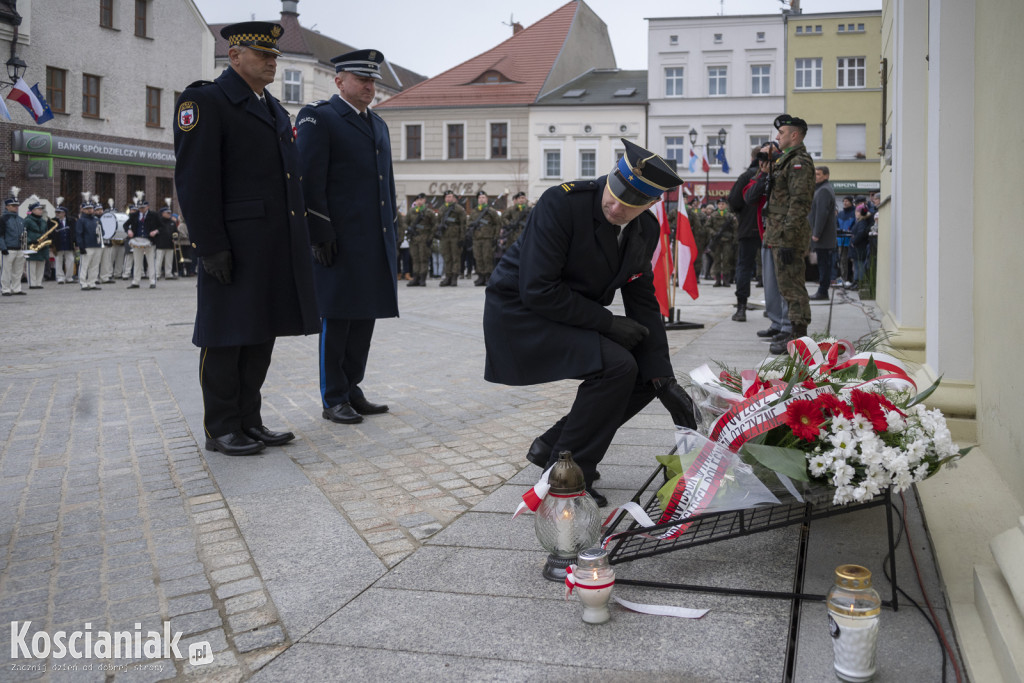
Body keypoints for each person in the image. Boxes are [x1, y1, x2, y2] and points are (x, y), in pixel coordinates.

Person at [483, 139, 699, 506]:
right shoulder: (562, 203)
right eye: (612, 197)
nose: (615, 207)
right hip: (521, 314)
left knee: (646, 372)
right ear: (611, 177)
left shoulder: (644, 229)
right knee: (616, 366)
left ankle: (554, 445)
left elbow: (643, 299)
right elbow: (537, 289)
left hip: (572, 315)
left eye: (629, 206)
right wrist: (606, 323)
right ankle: (566, 474)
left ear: (650, 204)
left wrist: (664, 378)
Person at [174, 21, 319, 456]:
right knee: (226, 336)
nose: (272, 62)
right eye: (263, 55)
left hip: (271, 244)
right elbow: (196, 181)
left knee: (260, 334)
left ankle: (248, 420)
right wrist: (210, 245)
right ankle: (221, 427)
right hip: (233, 246)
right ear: (234, 56)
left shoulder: (272, 108)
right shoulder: (205, 101)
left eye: (275, 56)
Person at [296, 48, 398, 425]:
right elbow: (308, 180)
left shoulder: (378, 125)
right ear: (338, 81)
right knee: (337, 320)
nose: (369, 86)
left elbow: (385, 186)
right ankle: (333, 396)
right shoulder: (319, 118)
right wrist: (319, 232)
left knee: (363, 321)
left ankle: (353, 387)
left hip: (372, 242)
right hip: (337, 242)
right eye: (361, 79)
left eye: (372, 80)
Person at [764, 114, 815, 355]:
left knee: (793, 286)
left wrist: (788, 236)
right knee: (786, 286)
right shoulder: (787, 160)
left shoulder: (799, 163)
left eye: (781, 133)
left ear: (794, 135)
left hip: (788, 235)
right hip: (779, 232)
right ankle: (792, 331)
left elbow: (800, 203)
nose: (777, 137)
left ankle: (799, 337)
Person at [744, 143, 790, 342]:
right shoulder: (759, 177)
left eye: (770, 154)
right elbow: (748, 197)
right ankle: (776, 323)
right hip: (766, 235)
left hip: (782, 236)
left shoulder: (785, 173)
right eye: (763, 156)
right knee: (770, 284)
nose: (765, 161)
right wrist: (763, 174)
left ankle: (787, 325)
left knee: (785, 284)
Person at [727, 147, 765, 322]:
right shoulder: (776, 174)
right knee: (771, 268)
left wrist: (742, 212)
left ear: (752, 157)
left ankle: (741, 307)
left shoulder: (746, 175)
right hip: (768, 227)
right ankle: (774, 309)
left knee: (744, 267)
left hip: (749, 228)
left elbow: (733, 200)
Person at [808, 166, 837, 300]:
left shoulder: (824, 190)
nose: (816, 176)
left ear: (826, 175)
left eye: (818, 174)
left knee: (824, 264)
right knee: (823, 263)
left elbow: (821, 214)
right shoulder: (821, 189)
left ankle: (822, 291)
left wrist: (816, 233)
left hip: (823, 236)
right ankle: (822, 290)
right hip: (823, 236)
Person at [468, 190, 501, 286]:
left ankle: (488, 277)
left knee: (487, 257)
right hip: (477, 238)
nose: (481, 199)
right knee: (478, 258)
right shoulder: (474, 212)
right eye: (479, 198)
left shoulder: (491, 211)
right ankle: (480, 276)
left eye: (483, 197)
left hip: (488, 238)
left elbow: (497, 224)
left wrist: (496, 237)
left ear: (486, 199)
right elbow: (468, 223)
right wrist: (472, 225)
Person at [125, 200, 159, 289]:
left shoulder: (154, 215)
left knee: (151, 262)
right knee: (137, 262)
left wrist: (156, 231)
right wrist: (129, 230)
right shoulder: (134, 215)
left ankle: (152, 281)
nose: (141, 209)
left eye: (143, 208)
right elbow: (125, 225)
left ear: (147, 207)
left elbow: (161, 226)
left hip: (149, 241)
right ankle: (136, 281)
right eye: (140, 208)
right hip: (137, 240)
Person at [437, 189, 467, 287]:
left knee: (455, 258)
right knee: (447, 257)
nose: (448, 198)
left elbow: (463, 224)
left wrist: (462, 238)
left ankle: (454, 277)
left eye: (450, 196)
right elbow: (437, 221)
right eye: (446, 197)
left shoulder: (458, 209)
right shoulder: (441, 209)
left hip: (455, 237)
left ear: (453, 198)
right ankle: (448, 276)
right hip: (445, 237)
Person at [404, 193, 435, 287]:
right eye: (418, 200)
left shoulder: (429, 212)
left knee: (423, 259)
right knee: (415, 259)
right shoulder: (411, 211)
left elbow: (434, 225)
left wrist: (430, 238)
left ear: (424, 200)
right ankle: (415, 278)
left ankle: (422, 278)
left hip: (424, 239)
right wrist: (409, 229)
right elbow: (405, 223)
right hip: (414, 239)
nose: (419, 202)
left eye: (421, 200)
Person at [1, 196, 27, 296]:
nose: (16, 207)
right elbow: (1, 235)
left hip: (19, 248)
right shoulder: (3, 219)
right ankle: (5, 289)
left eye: (17, 205)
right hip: (8, 248)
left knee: (18, 270)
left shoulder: (20, 219)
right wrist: (3, 247)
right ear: (7, 206)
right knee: (6, 270)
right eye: (13, 205)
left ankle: (16, 288)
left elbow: (24, 234)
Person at [707, 198, 737, 288]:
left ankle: (726, 280)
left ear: (726, 205)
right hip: (717, 241)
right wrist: (714, 233)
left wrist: (733, 239)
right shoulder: (713, 215)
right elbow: (707, 227)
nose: (721, 205)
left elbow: (735, 228)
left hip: (727, 241)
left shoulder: (730, 216)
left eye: (723, 204)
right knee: (717, 260)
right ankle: (718, 280)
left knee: (726, 260)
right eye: (720, 204)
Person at [74, 201, 103, 290]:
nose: (90, 210)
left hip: (97, 245)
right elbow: (79, 234)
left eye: (91, 208)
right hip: (87, 245)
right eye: (87, 209)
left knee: (95, 265)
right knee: (84, 265)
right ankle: (83, 283)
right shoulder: (81, 220)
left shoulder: (96, 220)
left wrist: (100, 233)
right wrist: (81, 246)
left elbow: (103, 232)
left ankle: (92, 282)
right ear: (83, 210)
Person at [498, 192, 530, 259]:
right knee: (512, 256)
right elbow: (503, 218)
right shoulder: (512, 209)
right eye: (519, 198)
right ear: (517, 199)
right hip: (513, 237)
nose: (521, 200)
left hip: (525, 236)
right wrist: (509, 224)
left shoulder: (529, 209)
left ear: (525, 199)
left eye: (523, 198)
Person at [52, 205, 76, 285]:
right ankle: (60, 278)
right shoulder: (52, 221)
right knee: (58, 261)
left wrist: (76, 243)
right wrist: (52, 244)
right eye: (56, 212)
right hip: (58, 243)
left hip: (68, 243)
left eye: (59, 212)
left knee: (70, 260)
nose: (57, 214)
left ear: (64, 213)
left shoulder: (71, 220)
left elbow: (74, 232)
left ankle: (69, 277)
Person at [835, 196, 856, 287]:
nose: (845, 203)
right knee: (842, 260)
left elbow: (855, 226)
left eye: (847, 201)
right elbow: (836, 225)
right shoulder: (840, 214)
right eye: (844, 201)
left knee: (850, 261)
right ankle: (843, 278)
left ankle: (851, 279)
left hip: (850, 240)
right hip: (841, 241)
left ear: (851, 202)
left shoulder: (854, 213)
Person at [153, 205, 177, 280]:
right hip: (160, 243)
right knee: (158, 260)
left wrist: (175, 238)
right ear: (162, 213)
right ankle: (157, 274)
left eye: (170, 213)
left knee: (169, 261)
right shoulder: (158, 222)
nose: (169, 214)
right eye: (167, 213)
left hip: (170, 244)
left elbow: (176, 232)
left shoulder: (172, 222)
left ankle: (168, 274)